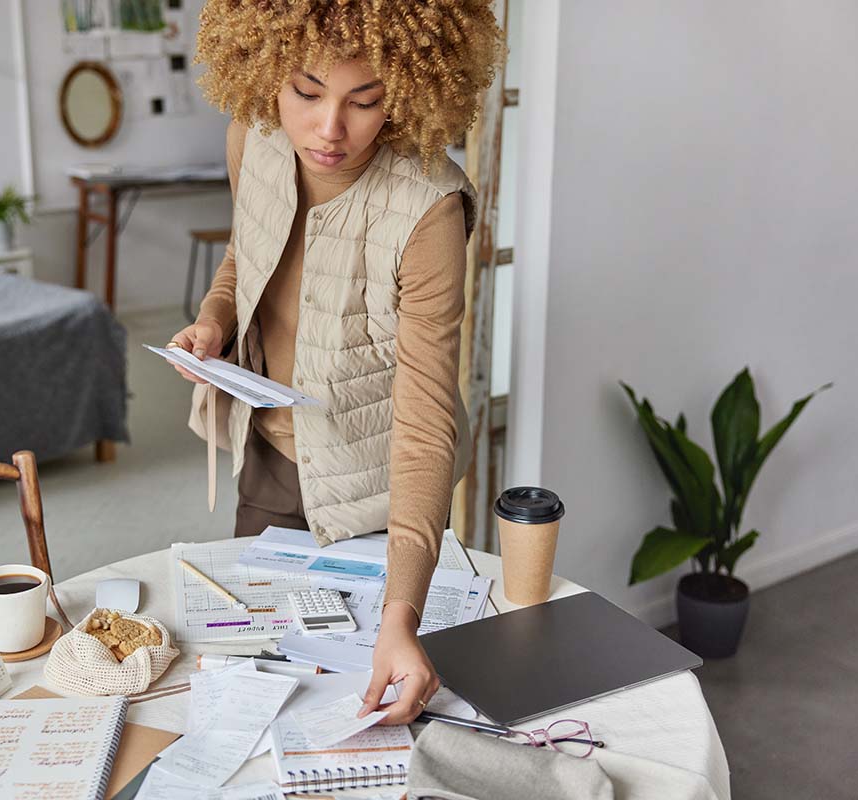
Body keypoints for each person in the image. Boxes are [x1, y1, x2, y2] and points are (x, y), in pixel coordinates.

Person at [167, 0, 503, 724]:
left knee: (372, 697)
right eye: (306, 91)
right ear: (263, 69)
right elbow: (244, 253)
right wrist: (213, 321)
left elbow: (422, 422)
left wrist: (401, 614)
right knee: (255, 680)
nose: (329, 129)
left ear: (410, 88)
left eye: (366, 100)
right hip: (269, 454)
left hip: (381, 487)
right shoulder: (250, 140)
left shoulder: (427, 211)